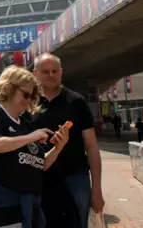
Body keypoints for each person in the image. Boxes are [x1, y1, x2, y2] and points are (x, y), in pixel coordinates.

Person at [0, 66, 69, 228]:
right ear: (9, 88)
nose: (29, 100)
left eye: (32, 96)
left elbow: (41, 163)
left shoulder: (25, 123)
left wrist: (58, 148)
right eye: (25, 94)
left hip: (23, 207)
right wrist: (31, 137)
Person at [31, 53, 104, 228]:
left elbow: (92, 146)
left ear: (61, 72)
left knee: (78, 221)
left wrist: (97, 189)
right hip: (37, 176)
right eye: (45, 71)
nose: (51, 75)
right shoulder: (28, 103)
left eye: (55, 71)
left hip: (75, 176)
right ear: (35, 73)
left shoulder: (76, 101)